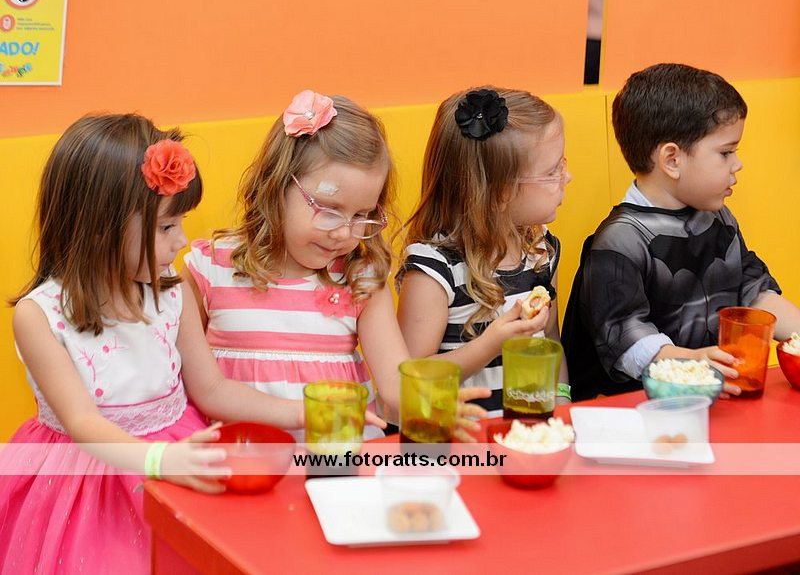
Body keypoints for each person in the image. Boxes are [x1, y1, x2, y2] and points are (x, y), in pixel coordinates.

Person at [0, 114, 308, 574]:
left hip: (178, 453)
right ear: (99, 226)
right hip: (88, 484)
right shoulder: (40, 315)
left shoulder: (171, 293)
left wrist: (303, 412)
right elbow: (83, 423)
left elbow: (212, 390)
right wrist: (160, 458)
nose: (181, 241)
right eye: (166, 227)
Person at [182, 90, 488, 441]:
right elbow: (205, 388)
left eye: (362, 215)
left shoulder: (361, 278)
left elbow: (393, 383)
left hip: (338, 460)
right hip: (244, 463)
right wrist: (305, 414)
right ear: (277, 184)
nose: (344, 233)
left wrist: (428, 404)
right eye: (328, 210)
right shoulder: (211, 268)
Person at [562, 63, 800, 401]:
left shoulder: (717, 219)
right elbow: (628, 341)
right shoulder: (620, 241)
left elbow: (754, 292)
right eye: (726, 152)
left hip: (705, 400)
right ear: (672, 160)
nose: (738, 164)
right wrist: (693, 361)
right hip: (632, 409)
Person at [396, 87, 572, 417]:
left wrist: (562, 405)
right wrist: (490, 345)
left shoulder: (542, 251)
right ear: (502, 192)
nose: (567, 177)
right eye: (552, 171)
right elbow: (408, 381)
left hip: (527, 432)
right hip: (462, 437)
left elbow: (551, 342)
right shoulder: (434, 270)